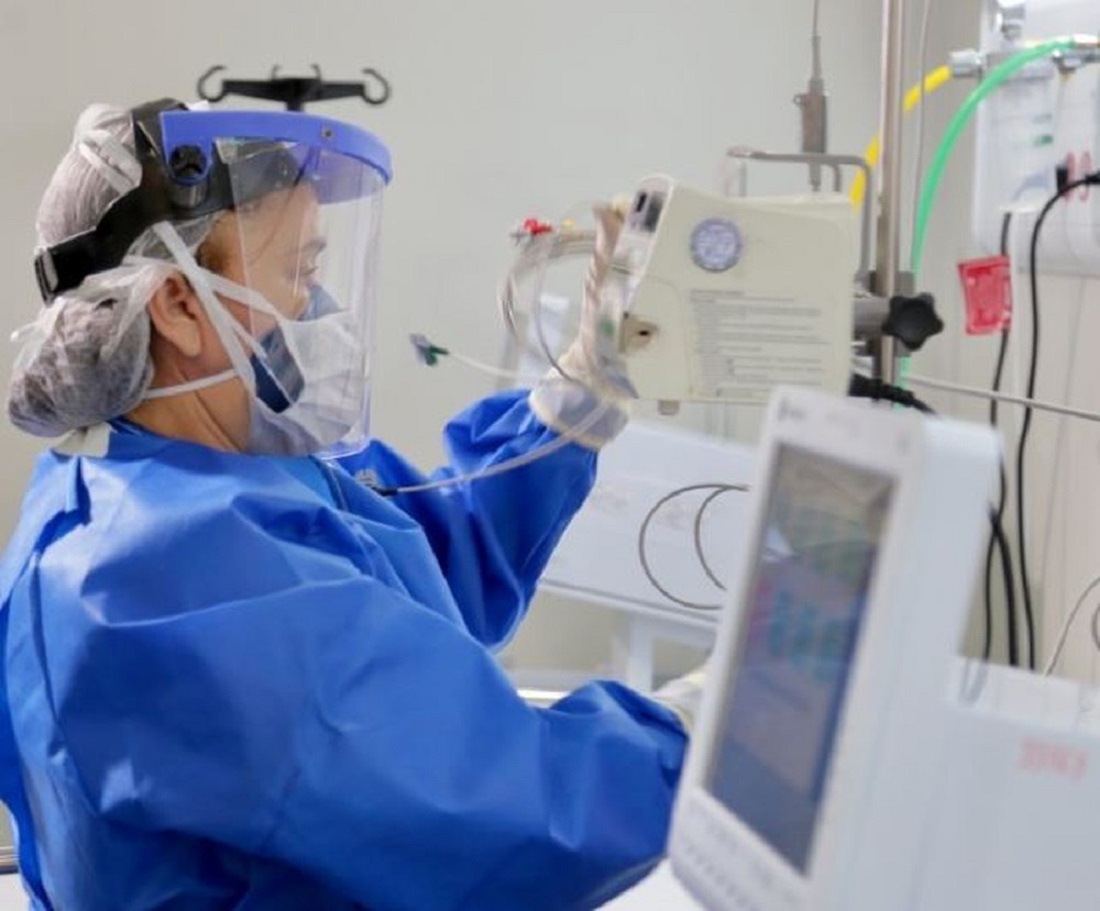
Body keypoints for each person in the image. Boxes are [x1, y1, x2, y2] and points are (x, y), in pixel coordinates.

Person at [0, 99, 705, 910]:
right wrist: (707, 733)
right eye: (298, 274)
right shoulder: (172, 577)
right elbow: (508, 812)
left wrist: (577, 394)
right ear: (180, 306)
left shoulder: (186, 474)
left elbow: (420, 575)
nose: (320, 311)